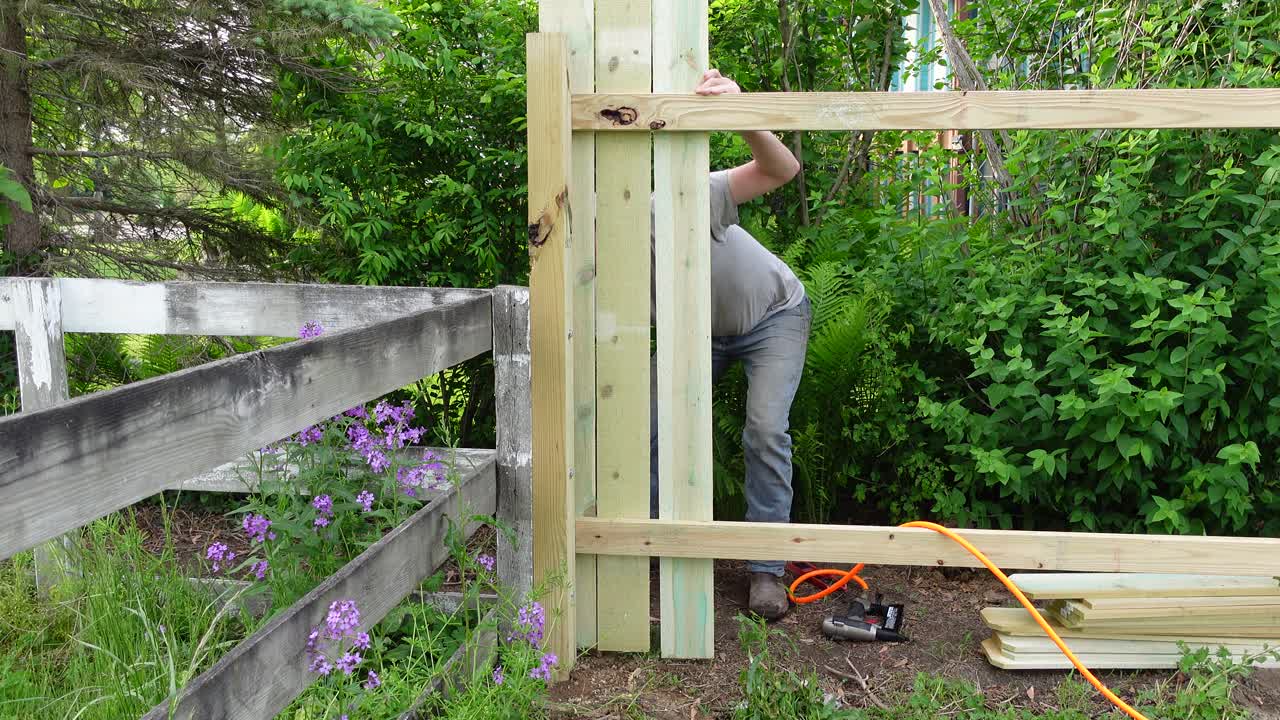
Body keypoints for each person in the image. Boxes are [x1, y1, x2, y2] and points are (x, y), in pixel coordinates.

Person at [649, 68, 811, 620]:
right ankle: (642, 546)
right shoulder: (594, 236)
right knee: (645, 422)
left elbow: (782, 169)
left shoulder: (686, 192)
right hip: (698, 333)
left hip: (775, 314)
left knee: (765, 428)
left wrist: (742, 112)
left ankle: (767, 571)